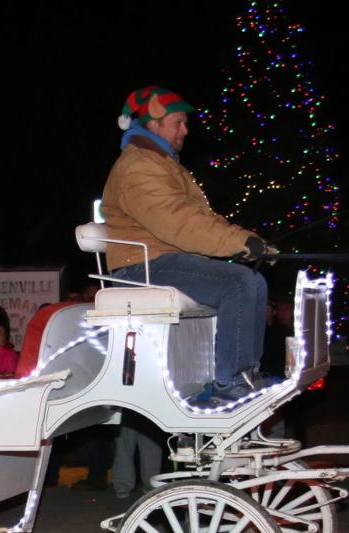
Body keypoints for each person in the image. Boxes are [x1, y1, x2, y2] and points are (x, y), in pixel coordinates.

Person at [100, 85, 277, 403]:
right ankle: (230, 383)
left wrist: (251, 241)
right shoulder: (139, 167)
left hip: (163, 259)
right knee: (238, 282)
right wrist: (237, 242)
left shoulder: (165, 164)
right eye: (178, 122)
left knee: (255, 282)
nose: (186, 129)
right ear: (153, 123)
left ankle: (247, 374)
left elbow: (202, 217)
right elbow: (178, 222)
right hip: (139, 266)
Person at [112, 412, 162, 501]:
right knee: (124, 446)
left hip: (150, 410)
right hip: (130, 409)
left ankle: (149, 485)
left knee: (150, 446)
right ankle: (123, 486)